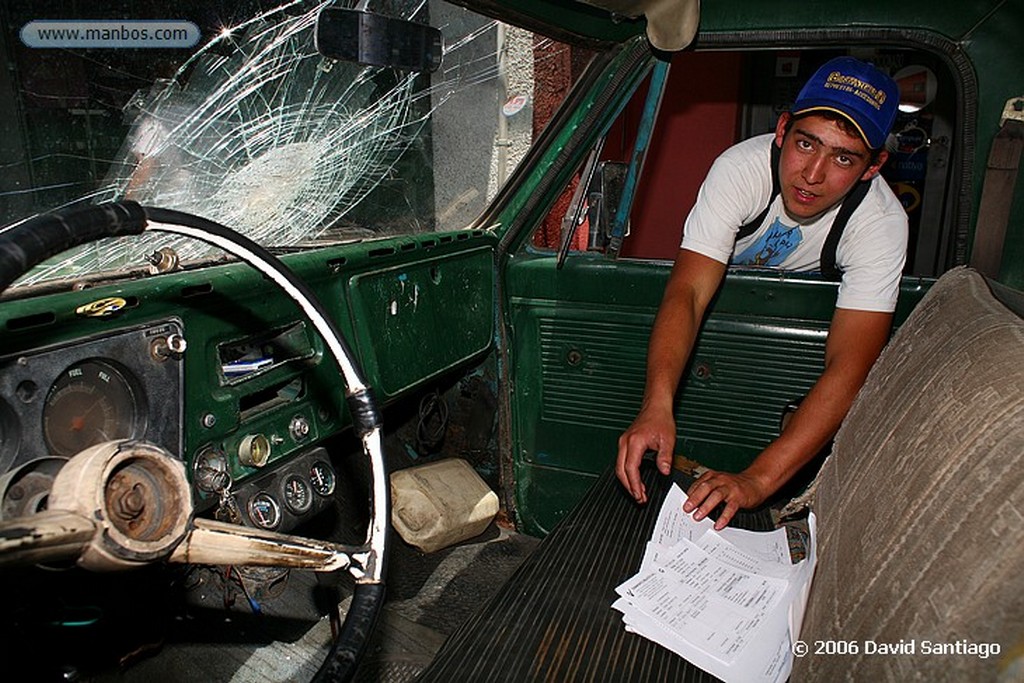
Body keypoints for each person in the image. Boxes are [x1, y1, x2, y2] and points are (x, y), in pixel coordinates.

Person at [615, 56, 907, 529]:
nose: (812, 174)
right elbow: (688, 293)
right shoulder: (741, 170)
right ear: (782, 129)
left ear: (873, 167)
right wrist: (656, 405)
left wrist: (757, 481)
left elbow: (851, 367)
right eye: (806, 143)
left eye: (843, 157)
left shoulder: (882, 223)